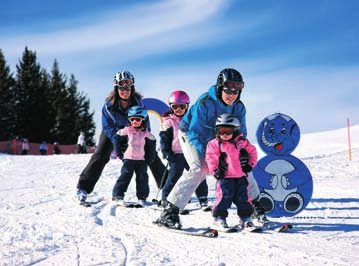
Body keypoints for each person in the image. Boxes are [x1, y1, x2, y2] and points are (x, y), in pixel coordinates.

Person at [155, 68, 265, 229]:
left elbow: (241, 133)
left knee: (242, 166)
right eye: (228, 90)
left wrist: (241, 152)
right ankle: (170, 211)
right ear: (220, 87)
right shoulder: (205, 102)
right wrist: (211, 155)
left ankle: (255, 206)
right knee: (199, 168)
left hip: (223, 137)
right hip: (192, 134)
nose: (231, 94)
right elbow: (195, 132)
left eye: (236, 91)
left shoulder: (239, 107)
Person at [76, 70, 165, 203]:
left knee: (150, 154)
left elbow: (145, 123)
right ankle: (83, 188)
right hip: (112, 133)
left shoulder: (139, 104)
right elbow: (107, 127)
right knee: (100, 154)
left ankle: (168, 187)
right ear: (117, 88)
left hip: (135, 132)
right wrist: (118, 139)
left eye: (128, 87)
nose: (125, 90)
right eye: (121, 87)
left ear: (132, 88)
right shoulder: (109, 106)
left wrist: (145, 139)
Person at [159, 90, 209, 212]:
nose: (179, 109)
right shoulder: (168, 122)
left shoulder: (192, 120)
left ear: (187, 106)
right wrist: (166, 152)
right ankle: (166, 198)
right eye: (175, 107)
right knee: (174, 175)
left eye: (182, 106)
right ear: (171, 107)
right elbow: (164, 139)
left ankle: (203, 199)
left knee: (199, 173)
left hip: (191, 152)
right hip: (176, 153)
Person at [206, 113, 258, 231]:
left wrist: (250, 165)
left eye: (227, 131)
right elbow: (211, 158)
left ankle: (245, 219)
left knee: (243, 198)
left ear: (235, 130)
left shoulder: (243, 142)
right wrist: (215, 171)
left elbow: (253, 153)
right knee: (224, 197)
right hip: (225, 177)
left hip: (241, 177)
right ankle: (218, 219)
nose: (224, 134)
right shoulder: (215, 144)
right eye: (221, 131)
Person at [112, 106, 156, 206]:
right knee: (125, 176)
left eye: (138, 119)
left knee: (142, 178)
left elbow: (152, 145)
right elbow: (116, 139)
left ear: (143, 120)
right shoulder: (126, 131)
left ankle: (142, 197)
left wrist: (149, 159)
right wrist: (119, 154)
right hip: (129, 159)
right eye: (132, 119)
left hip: (141, 160)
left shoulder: (146, 134)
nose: (135, 121)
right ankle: (117, 195)